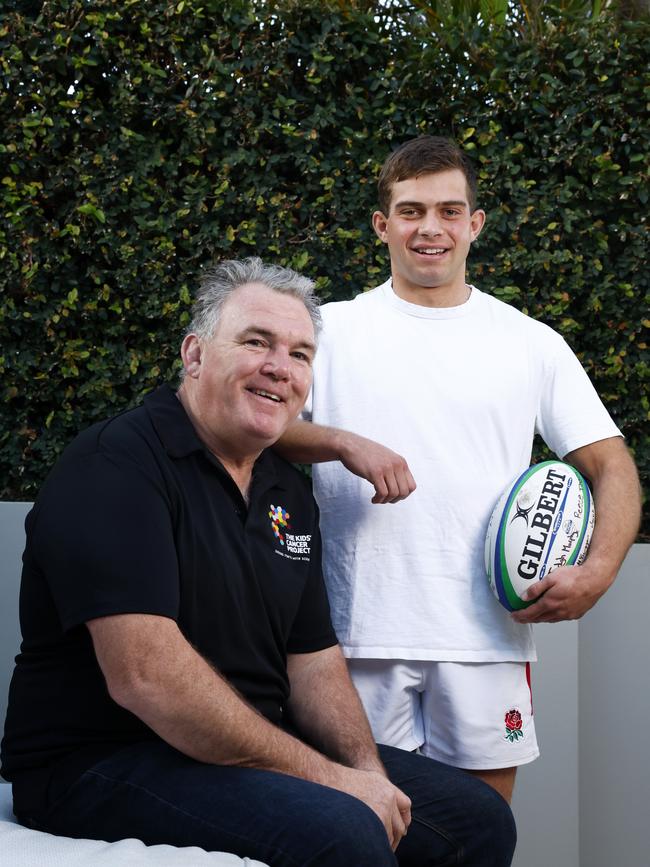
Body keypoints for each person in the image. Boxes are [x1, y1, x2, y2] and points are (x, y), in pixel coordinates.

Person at [0, 257, 517, 867]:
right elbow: (147, 679)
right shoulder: (116, 467)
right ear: (195, 355)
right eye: (256, 342)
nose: (280, 367)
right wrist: (332, 783)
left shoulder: (285, 488)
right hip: (101, 759)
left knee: (477, 820)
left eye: (300, 354)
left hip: (242, 745)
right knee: (343, 831)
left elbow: (314, 662)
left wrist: (368, 773)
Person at [275, 137, 642, 804]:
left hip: (486, 635)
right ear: (383, 226)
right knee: (358, 831)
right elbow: (264, 431)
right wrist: (343, 442)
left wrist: (601, 570)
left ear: (474, 223)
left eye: (449, 210)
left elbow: (610, 463)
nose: (431, 228)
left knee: (479, 833)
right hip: (356, 634)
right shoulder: (331, 330)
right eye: (411, 211)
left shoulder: (531, 342)